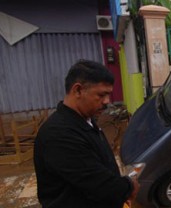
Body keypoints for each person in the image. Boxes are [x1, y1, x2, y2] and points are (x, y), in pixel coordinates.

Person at [34, 59, 139, 208]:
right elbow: (99, 184)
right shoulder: (58, 134)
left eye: (108, 95)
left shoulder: (84, 120)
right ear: (78, 90)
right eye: (101, 95)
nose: (107, 101)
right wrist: (128, 187)